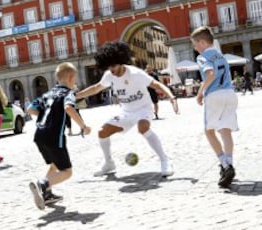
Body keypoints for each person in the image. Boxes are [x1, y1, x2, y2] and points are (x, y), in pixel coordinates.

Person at [76, 41, 178, 177]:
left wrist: (171, 97)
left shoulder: (136, 74)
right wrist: (75, 96)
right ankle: (109, 163)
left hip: (143, 109)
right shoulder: (109, 75)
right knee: (102, 132)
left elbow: (157, 84)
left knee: (143, 128)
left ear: (121, 61)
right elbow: (96, 88)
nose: (111, 69)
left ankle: (165, 160)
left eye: (113, 65)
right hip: (126, 112)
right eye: (108, 66)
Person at [27, 62, 91, 210]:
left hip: (39, 135)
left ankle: (47, 195)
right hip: (54, 136)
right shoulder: (68, 94)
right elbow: (69, 108)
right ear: (70, 78)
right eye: (74, 79)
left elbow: (30, 109)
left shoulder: (47, 94)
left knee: (54, 164)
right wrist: (83, 126)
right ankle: (42, 184)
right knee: (67, 172)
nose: (74, 82)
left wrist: (46, 116)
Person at [191, 26, 238, 188]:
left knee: (209, 131)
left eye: (196, 44)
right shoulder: (221, 56)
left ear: (203, 42)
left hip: (215, 95)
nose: (195, 48)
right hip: (230, 93)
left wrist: (200, 92)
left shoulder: (203, 57)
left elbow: (210, 74)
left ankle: (225, 165)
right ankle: (229, 162)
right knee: (225, 130)